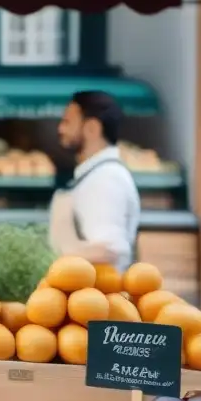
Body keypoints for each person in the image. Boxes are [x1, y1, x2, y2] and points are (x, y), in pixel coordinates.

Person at [49, 90, 141, 271]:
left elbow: (109, 250)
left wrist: (49, 262)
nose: (60, 129)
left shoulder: (105, 179)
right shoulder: (96, 175)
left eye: (67, 122)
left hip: (96, 297)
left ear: (92, 128)